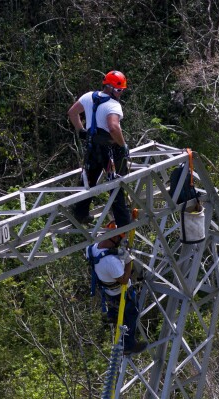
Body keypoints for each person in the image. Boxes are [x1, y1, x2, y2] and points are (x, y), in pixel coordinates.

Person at [68, 70, 131, 227]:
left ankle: (80, 214)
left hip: (92, 147)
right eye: (119, 90)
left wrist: (81, 130)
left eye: (122, 90)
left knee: (88, 181)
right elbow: (113, 128)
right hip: (108, 151)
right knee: (115, 184)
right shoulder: (113, 105)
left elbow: (72, 112)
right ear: (110, 88)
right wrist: (122, 146)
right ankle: (123, 221)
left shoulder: (89, 96)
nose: (120, 93)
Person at [86, 222, 147, 355]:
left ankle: (112, 314)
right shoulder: (110, 262)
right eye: (120, 239)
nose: (121, 242)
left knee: (114, 305)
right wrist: (128, 261)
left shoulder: (92, 248)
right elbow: (124, 280)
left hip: (107, 289)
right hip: (120, 292)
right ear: (113, 239)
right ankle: (129, 346)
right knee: (131, 314)